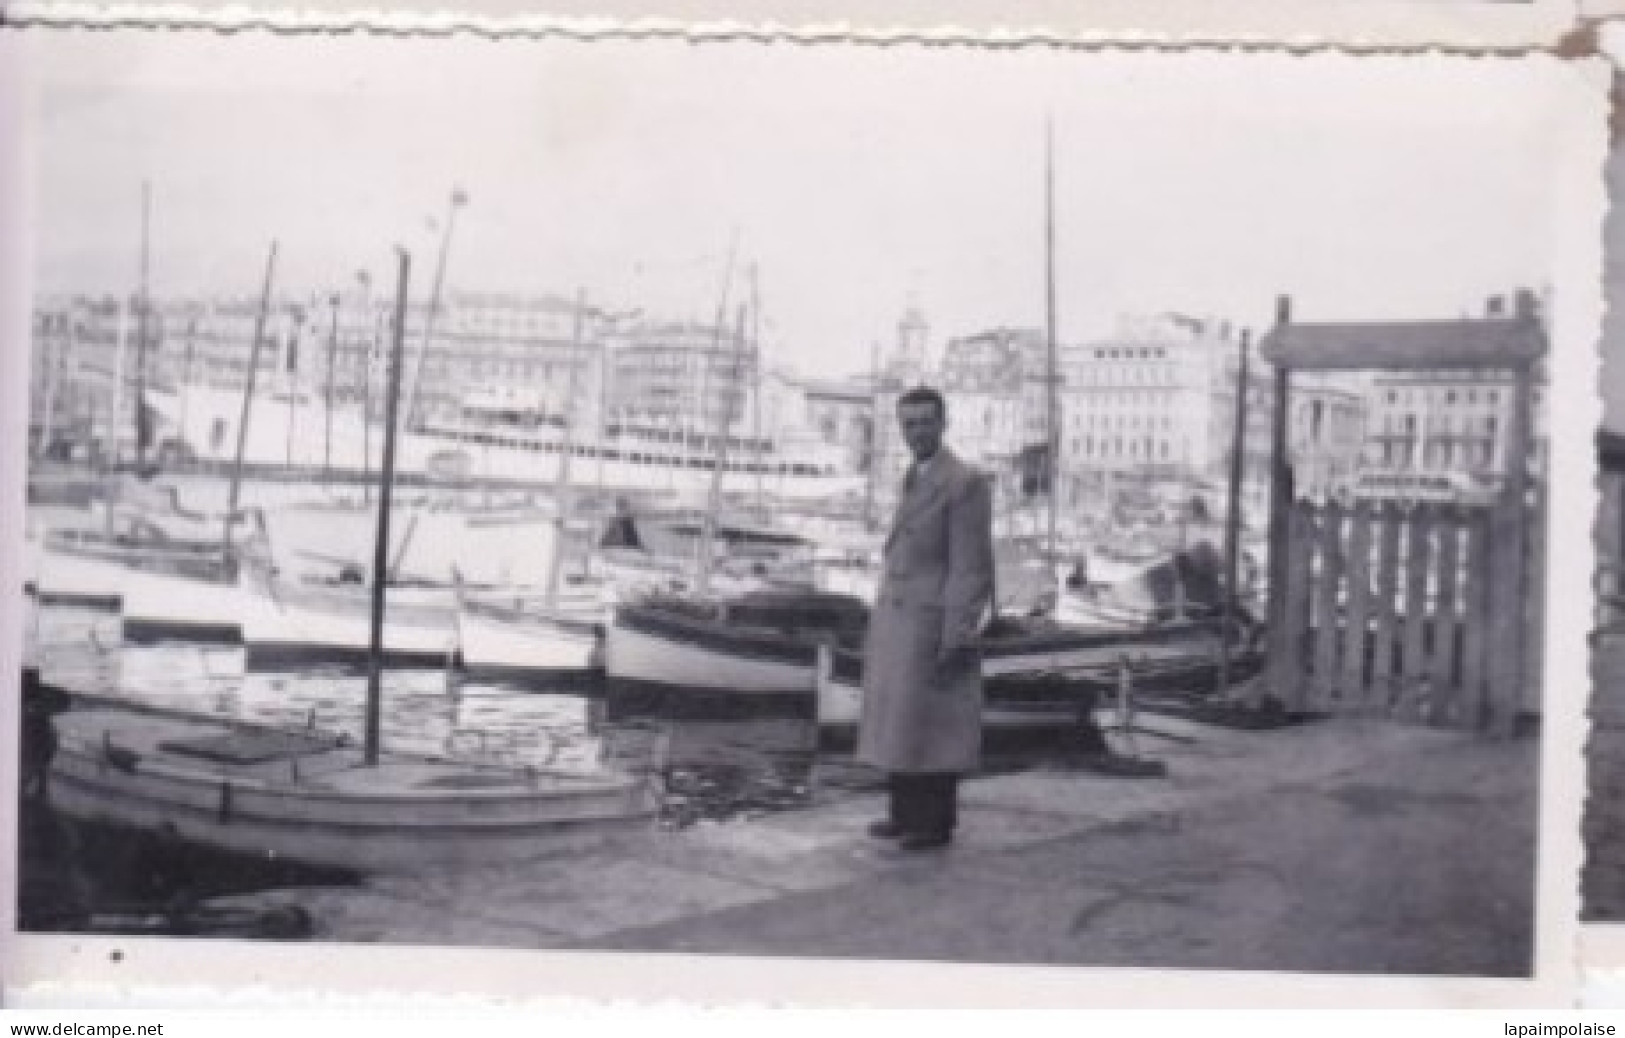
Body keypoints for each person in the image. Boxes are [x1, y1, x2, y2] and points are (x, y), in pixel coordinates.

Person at [856, 386, 996, 852]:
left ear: (943, 423)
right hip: (901, 618)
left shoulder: (963, 482)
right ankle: (903, 814)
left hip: (932, 618)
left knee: (934, 724)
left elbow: (969, 565)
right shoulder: (915, 477)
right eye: (909, 424)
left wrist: (957, 631)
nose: (916, 432)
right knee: (903, 721)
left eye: (924, 422)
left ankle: (934, 823)